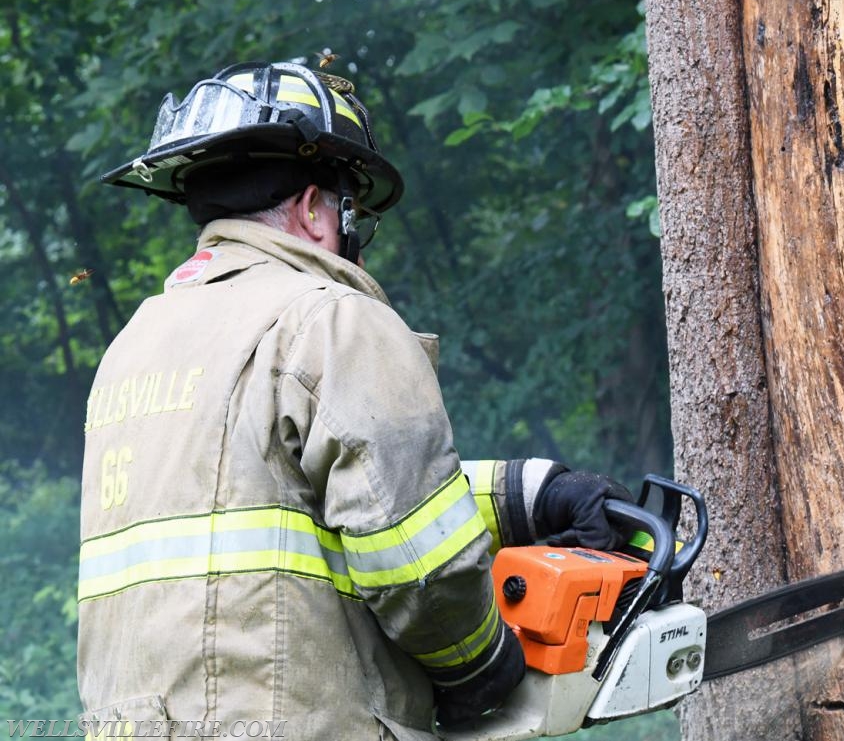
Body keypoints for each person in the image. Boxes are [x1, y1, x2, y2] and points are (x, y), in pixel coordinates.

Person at [78, 61, 632, 741]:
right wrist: (480, 662)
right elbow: (417, 562)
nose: (357, 248)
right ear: (315, 209)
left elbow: (292, 499)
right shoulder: (328, 318)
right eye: (355, 220)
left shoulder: (134, 346)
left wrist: (533, 493)